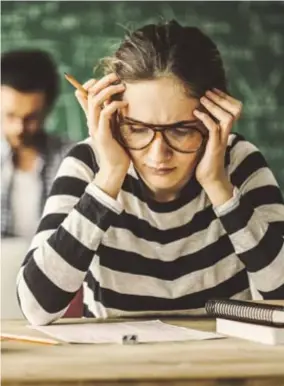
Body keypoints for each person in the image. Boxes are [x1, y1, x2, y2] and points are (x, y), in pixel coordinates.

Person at [16, 20, 284, 326]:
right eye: (136, 128)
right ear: (114, 119)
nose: (158, 155)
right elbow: (37, 308)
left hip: (226, 364)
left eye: (182, 130)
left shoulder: (238, 163)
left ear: (216, 119)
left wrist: (219, 185)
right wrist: (108, 179)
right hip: (118, 364)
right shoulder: (89, 164)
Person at [1, 49, 74, 238]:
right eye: (10, 115)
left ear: (47, 109)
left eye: (31, 118)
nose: (19, 128)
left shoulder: (73, 158)